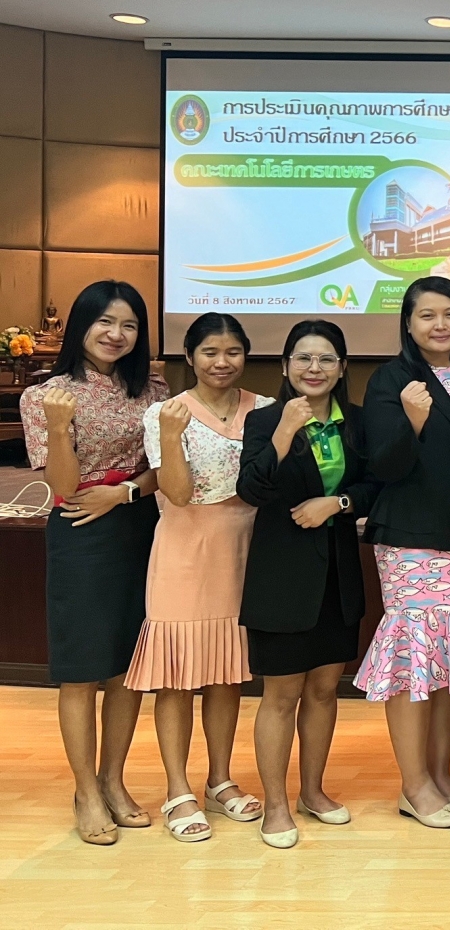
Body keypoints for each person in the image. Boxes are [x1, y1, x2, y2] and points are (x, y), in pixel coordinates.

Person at [20, 281, 169, 846]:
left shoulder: (153, 390)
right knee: (82, 668)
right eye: (105, 321)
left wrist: (124, 493)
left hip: (141, 525)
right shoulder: (46, 395)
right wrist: (60, 427)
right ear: (82, 324)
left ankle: (113, 779)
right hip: (80, 529)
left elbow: (164, 468)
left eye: (129, 325)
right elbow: (60, 484)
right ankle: (85, 790)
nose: (116, 334)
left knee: (128, 668)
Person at [356, 277, 450, 828]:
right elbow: (383, 466)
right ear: (408, 323)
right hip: (415, 540)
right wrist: (413, 422)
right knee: (415, 656)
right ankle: (413, 784)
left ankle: (441, 774)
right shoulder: (391, 379)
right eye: (427, 315)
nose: (440, 325)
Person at [126, 313, 272, 843]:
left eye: (232, 351)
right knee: (177, 676)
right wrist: (170, 437)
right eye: (210, 351)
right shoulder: (165, 413)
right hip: (185, 551)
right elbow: (179, 493)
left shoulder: (267, 409)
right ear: (189, 357)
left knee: (227, 673)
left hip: (245, 549)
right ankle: (176, 789)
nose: (222, 362)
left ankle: (219, 780)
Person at [237, 321, 381, 849]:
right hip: (281, 576)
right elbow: (251, 488)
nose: (313, 368)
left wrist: (337, 503)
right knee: (281, 695)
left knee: (323, 690)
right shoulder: (264, 419)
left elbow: (375, 486)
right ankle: (276, 804)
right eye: (303, 358)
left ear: (342, 368)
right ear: (284, 366)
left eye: (325, 359)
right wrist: (284, 432)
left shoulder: (358, 422)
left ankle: (313, 792)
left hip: (338, 577)